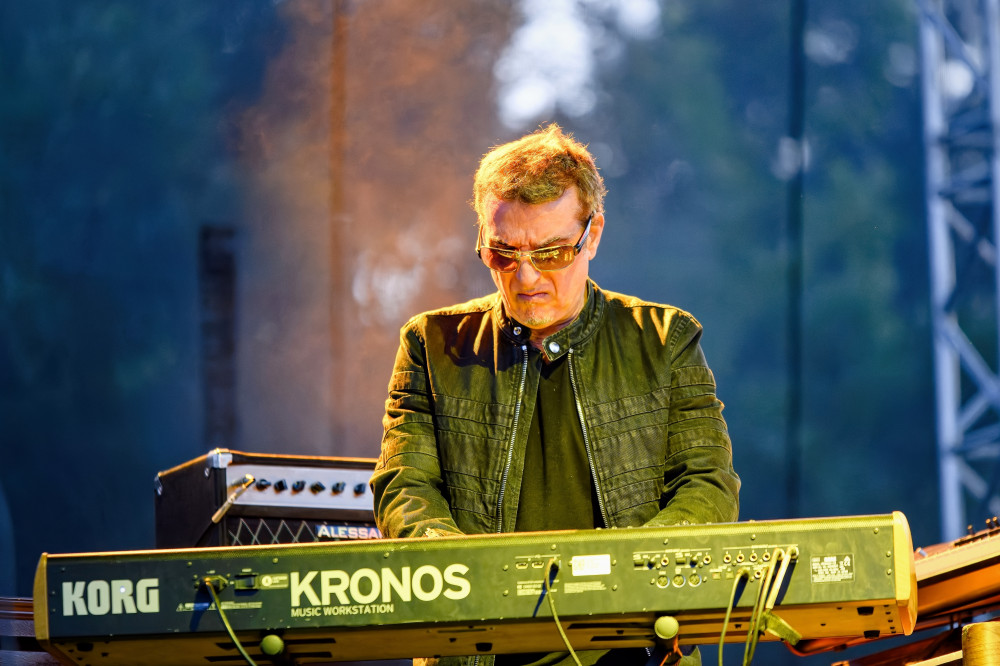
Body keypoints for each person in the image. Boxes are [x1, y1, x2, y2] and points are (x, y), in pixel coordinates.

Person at [370, 124, 740, 666]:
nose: (526, 278)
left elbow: (707, 486)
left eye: (551, 253)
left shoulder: (665, 341)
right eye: (503, 254)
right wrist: (470, 577)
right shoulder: (431, 345)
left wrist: (624, 575)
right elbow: (406, 488)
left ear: (594, 234)